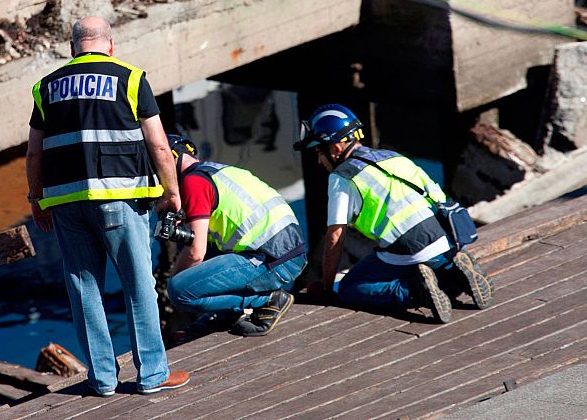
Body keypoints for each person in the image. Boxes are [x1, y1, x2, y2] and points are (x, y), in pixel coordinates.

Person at [25, 17, 189, 396]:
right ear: (110, 45)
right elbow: (160, 145)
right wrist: (171, 190)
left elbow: (34, 154)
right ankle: (152, 375)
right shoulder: (130, 78)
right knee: (138, 286)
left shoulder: (45, 88)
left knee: (84, 290)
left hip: (66, 203)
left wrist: (37, 199)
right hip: (119, 198)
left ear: (72, 49)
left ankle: (102, 380)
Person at [293, 103, 494, 323]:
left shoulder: (343, 178)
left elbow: (335, 236)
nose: (319, 161)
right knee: (427, 266)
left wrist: (327, 287)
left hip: (410, 250)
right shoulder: (392, 156)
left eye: (319, 152)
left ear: (336, 148)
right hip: (447, 239)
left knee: (352, 287)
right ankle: (455, 277)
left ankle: (415, 292)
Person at [165, 135, 307, 338]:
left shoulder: (193, 182)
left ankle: (266, 300)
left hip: (272, 260)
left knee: (179, 290)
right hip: (287, 253)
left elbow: (196, 253)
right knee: (202, 249)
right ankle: (227, 313)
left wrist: (175, 278)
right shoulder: (217, 171)